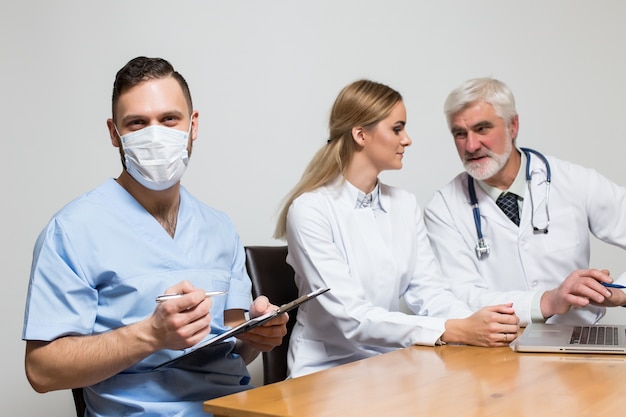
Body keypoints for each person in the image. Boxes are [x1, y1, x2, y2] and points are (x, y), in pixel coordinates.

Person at [22, 56, 288, 416]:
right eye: (137, 123)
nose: (155, 135)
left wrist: (256, 336)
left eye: (168, 119)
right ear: (114, 133)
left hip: (233, 408)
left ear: (193, 125)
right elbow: (41, 371)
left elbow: (231, 347)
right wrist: (151, 334)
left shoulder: (219, 227)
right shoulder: (72, 231)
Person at [273, 79, 520, 378]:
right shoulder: (310, 211)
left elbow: (430, 293)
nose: (407, 139)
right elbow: (353, 318)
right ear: (361, 135)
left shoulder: (404, 204)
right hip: (324, 373)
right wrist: (454, 329)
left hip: (388, 367)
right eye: (397, 128)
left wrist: (482, 324)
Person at [424, 77, 626, 327]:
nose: (471, 145)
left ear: (513, 126)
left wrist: (624, 291)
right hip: (495, 349)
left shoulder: (574, 181)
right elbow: (459, 296)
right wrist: (546, 302)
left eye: (483, 128)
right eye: (460, 134)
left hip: (576, 341)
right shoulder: (443, 207)